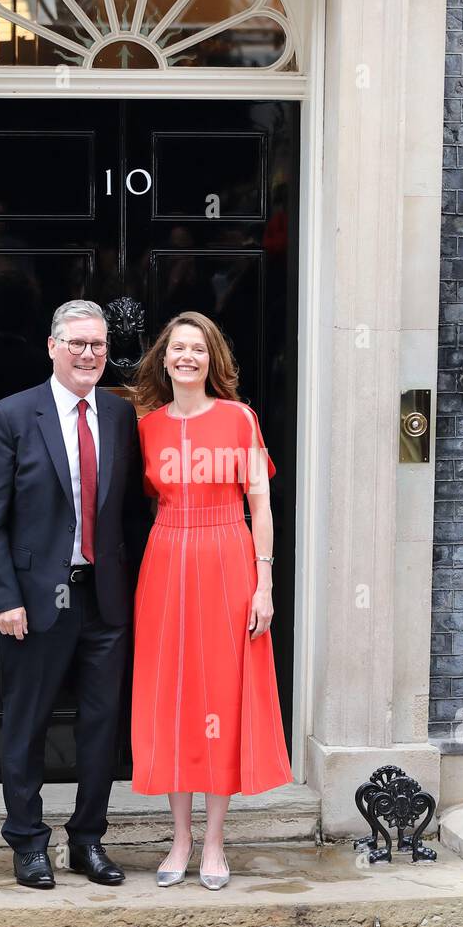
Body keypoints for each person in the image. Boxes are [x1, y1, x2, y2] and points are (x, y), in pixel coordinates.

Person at [0, 299, 146, 889]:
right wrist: (4, 598)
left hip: (104, 597)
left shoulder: (121, 417)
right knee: (26, 723)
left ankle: (88, 840)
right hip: (36, 597)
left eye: (96, 344)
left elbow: (131, 514)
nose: (88, 354)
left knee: (101, 723)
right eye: (76, 343)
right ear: (52, 346)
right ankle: (27, 841)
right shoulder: (12, 415)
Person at [129, 311, 293, 890]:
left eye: (198, 348)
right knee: (172, 695)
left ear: (211, 358)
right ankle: (179, 840)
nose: (187, 357)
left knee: (222, 693)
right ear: (164, 358)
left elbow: (262, 504)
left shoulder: (239, 418)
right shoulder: (146, 427)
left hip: (230, 555)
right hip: (168, 557)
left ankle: (216, 842)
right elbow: (146, 501)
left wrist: (265, 583)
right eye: (178, 348)